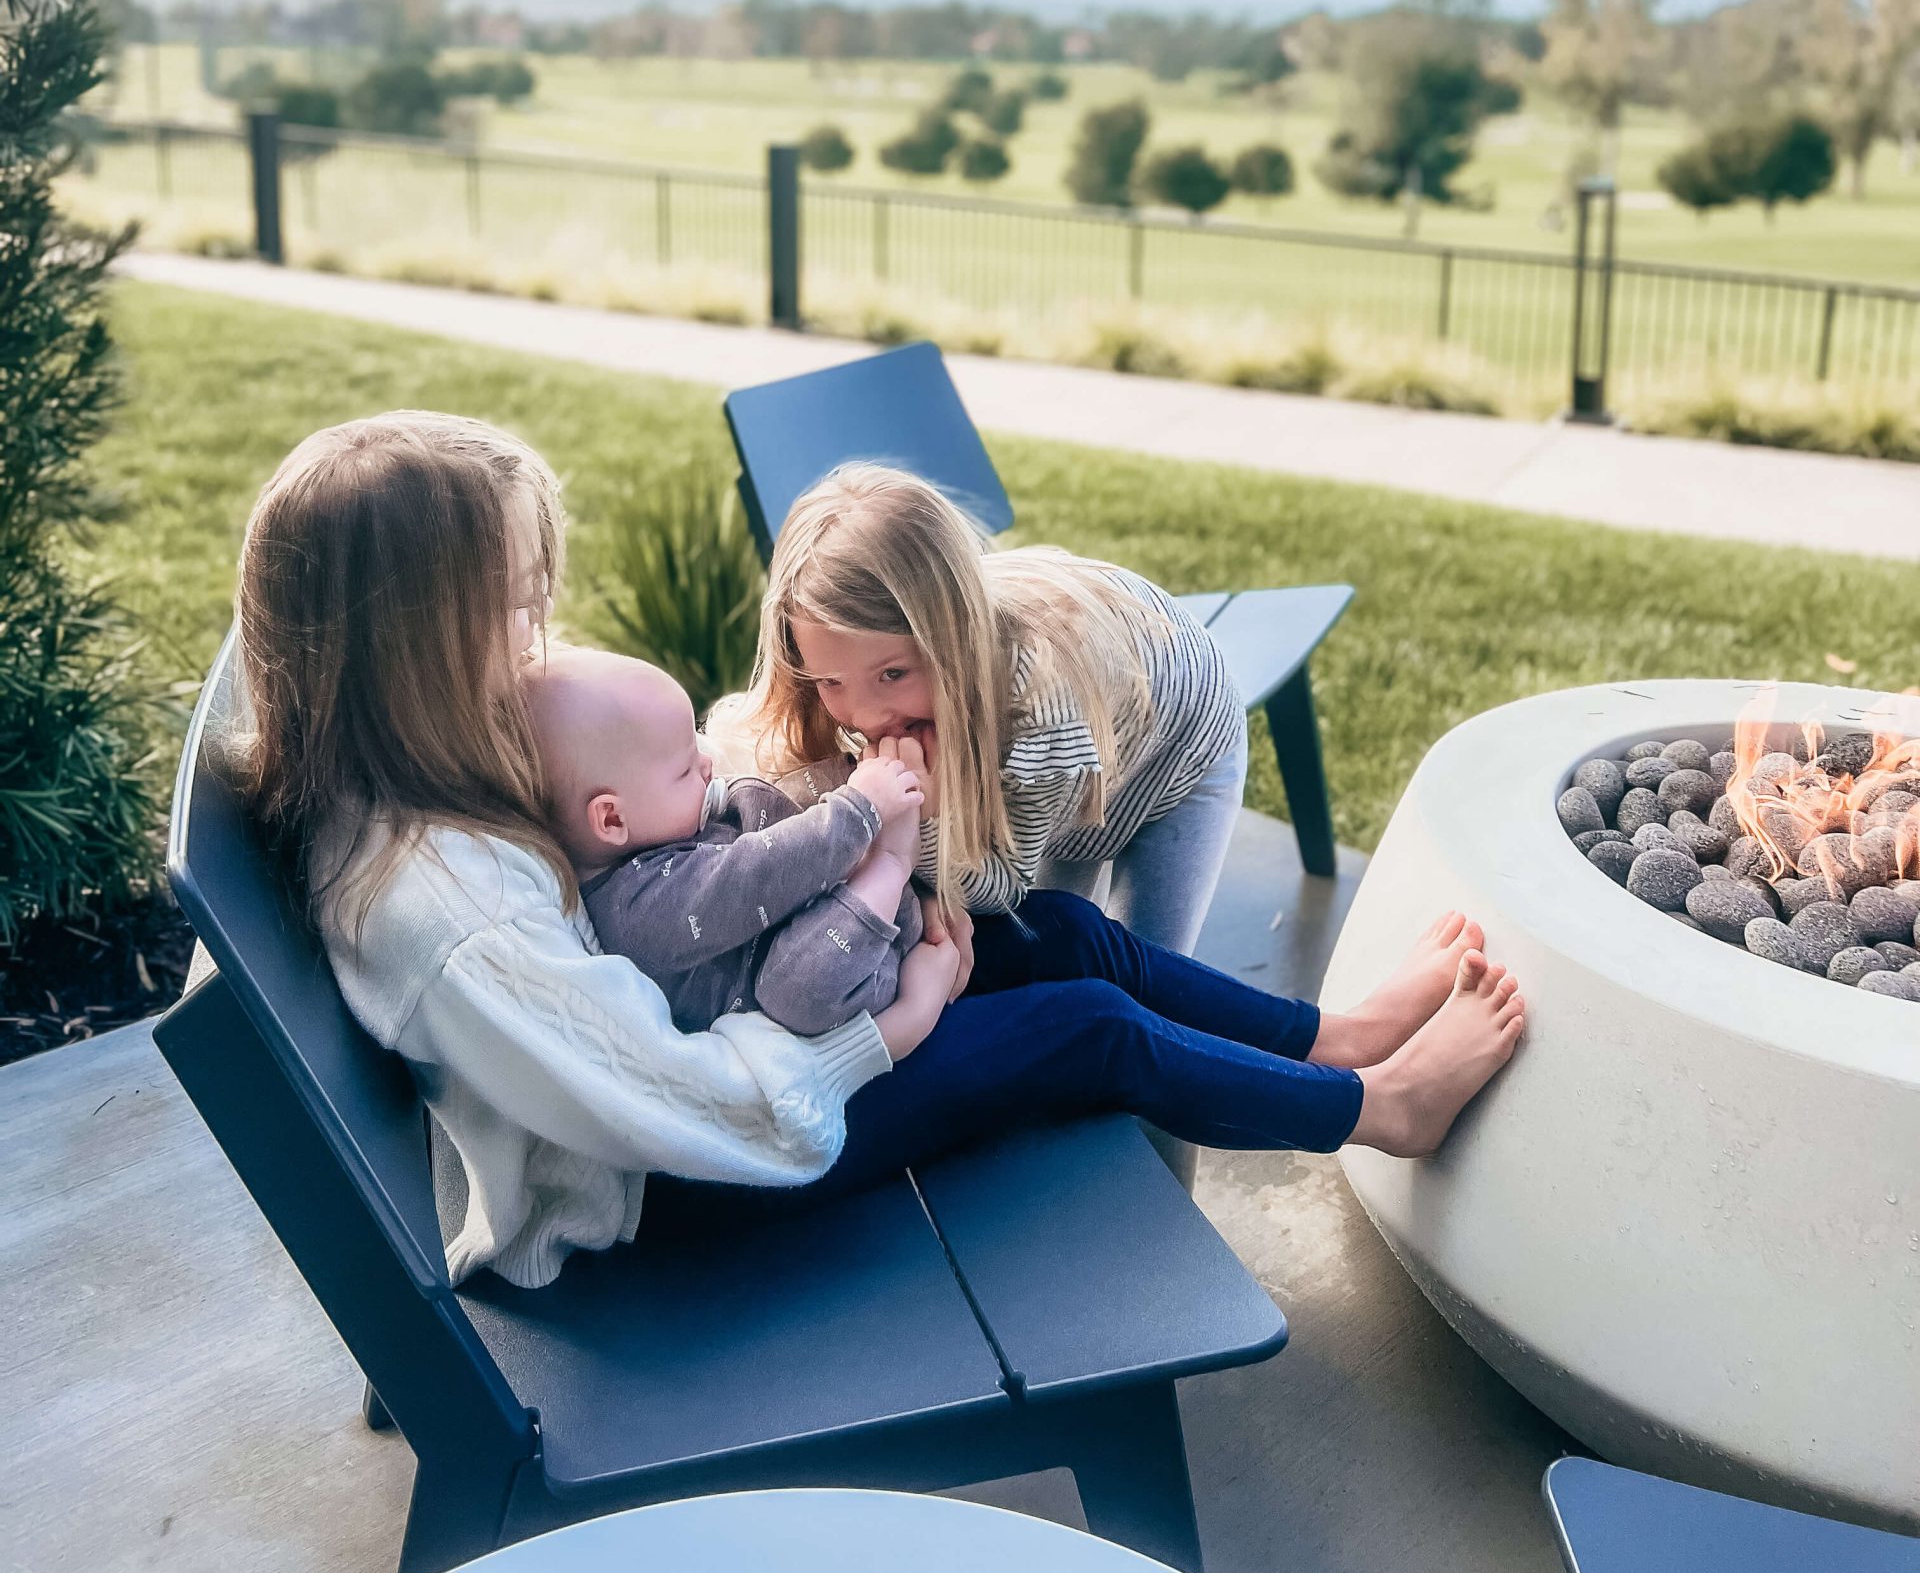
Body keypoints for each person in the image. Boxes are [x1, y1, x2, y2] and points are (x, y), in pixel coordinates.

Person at [234, 409, 1523, 1294]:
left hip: (732, 1072)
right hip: (698, 1176)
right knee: (1086, 1025)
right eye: (517, 617)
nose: (538, 650)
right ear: (406, 647)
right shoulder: (451, 916)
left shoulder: (414, 787)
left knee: (1060, 935)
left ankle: (1330, 1039)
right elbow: (690, 1109)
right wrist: (895, 1022)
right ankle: (1380, 1111)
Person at [708, 463, 1251, 950]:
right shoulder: (871, 679)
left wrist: (927, 818)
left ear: (952, 639)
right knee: (1056, 953)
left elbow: (1004, 886)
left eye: (893, 674)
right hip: (1067, 759)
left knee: (1152, 976)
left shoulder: (1040, 707)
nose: (867, 716)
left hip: (1180, 752)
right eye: (831, 681)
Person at [526, 643, 926, 1038]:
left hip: (844, 903)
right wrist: (860, 807)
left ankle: (890, 792)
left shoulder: (660, 827)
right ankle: (890, 862)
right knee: (793, 992)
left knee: (757, 795)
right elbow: (755, 873)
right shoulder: (636, 909)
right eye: (684, 769)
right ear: (612, 817)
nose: (706, 763)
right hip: (850, 967)